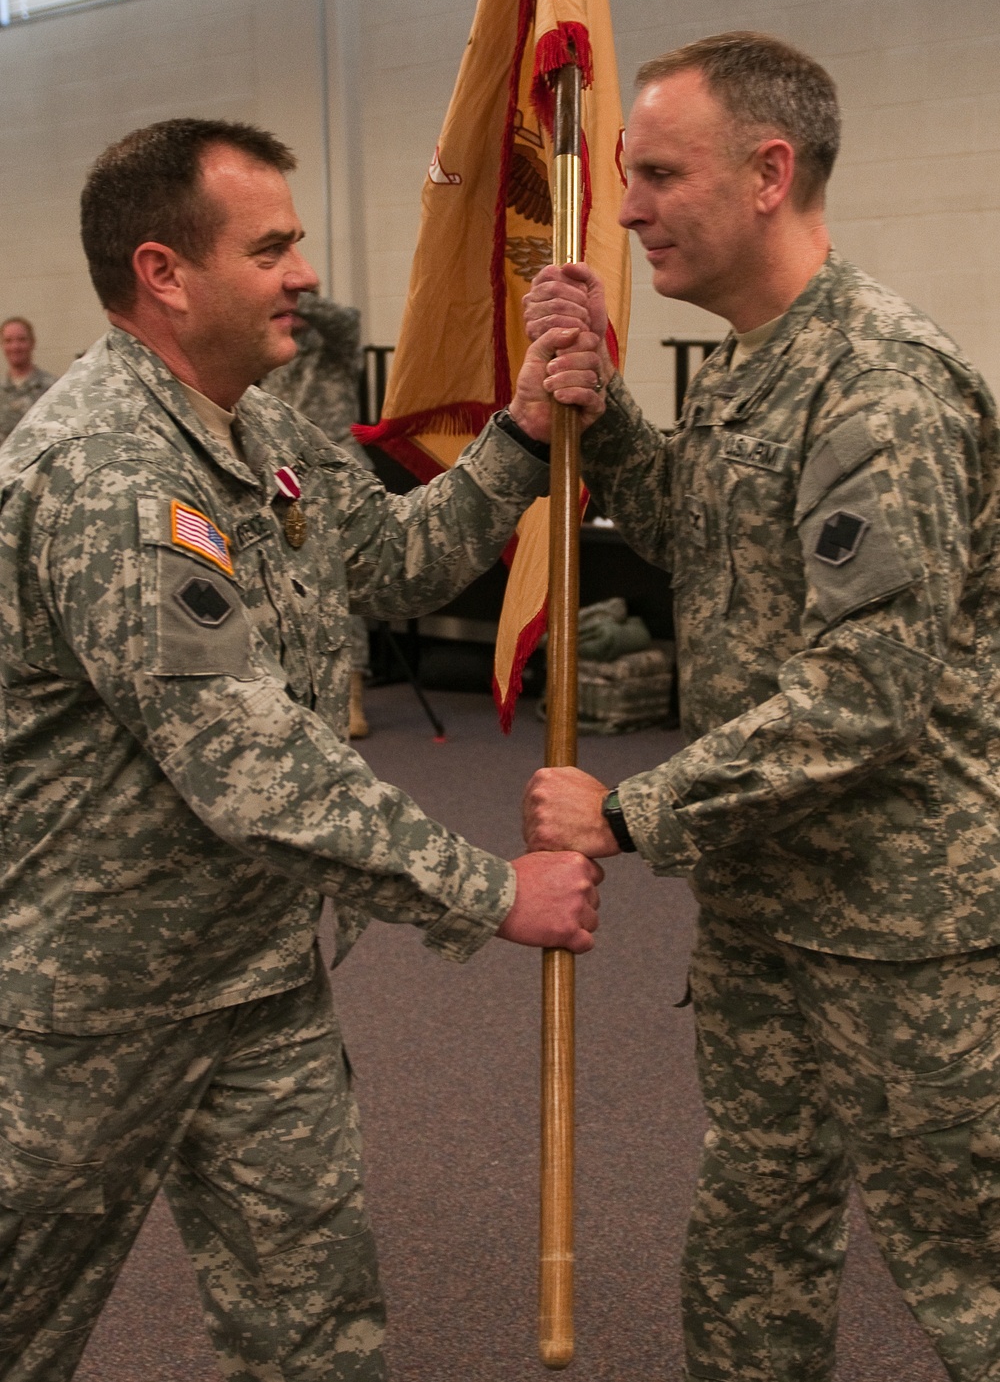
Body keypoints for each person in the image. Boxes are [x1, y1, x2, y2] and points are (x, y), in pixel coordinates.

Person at [0, 117, 604, 1382]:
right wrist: (492, 890)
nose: (303, 273)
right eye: (271, 247)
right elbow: (249, 761)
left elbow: (391, 559)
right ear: (164, 272)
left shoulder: (255, 430)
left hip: (257, 980)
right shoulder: (109, 468)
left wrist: (520, 433)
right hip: (94, 1002)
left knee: (315, 1332)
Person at [519, 32, 1000, 1382]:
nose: (623, 210)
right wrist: (601, 405)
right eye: (621, 176)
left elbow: (869, 693)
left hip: (903, 928)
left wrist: (627, 808)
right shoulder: (746, 359)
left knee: (968, 1265)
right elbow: (696, 528)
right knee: (755, 1236)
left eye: (661, 174)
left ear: (770, 173)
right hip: (769, 907)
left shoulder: (879, 385)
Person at [261, 292, 374, 738]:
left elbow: (346, 318)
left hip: (333, 470)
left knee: (343, 582)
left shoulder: (332, 346)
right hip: (281, 475)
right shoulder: (269, 351)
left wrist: (292, 297)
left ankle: (351, 695)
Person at [0, 316, 55, 444]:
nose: (15, 347)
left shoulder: (52, 388)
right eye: (8, 341)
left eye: (21, 340)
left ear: (32, 343)